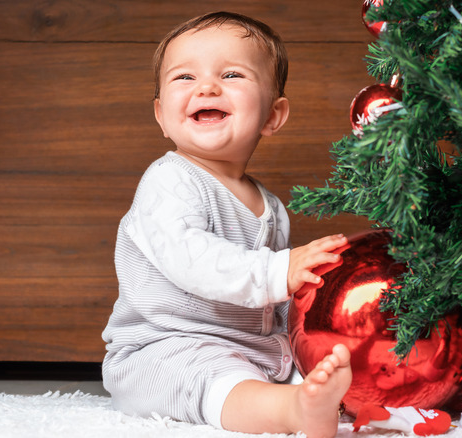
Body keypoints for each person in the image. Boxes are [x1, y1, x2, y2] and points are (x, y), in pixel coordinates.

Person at [101, 11, 352, 438]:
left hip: (252, 349)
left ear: (273, 116)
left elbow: (273, 301)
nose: (207, 87)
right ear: (161, 115)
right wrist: (280, 270)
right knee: (210, 381)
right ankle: (292, 411)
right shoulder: (168, 181)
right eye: (184, 78)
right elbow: (191, 258)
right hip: (162, 349)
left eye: (232, 74)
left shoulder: (269, 205)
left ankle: (321, 397)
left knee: (300, 369)